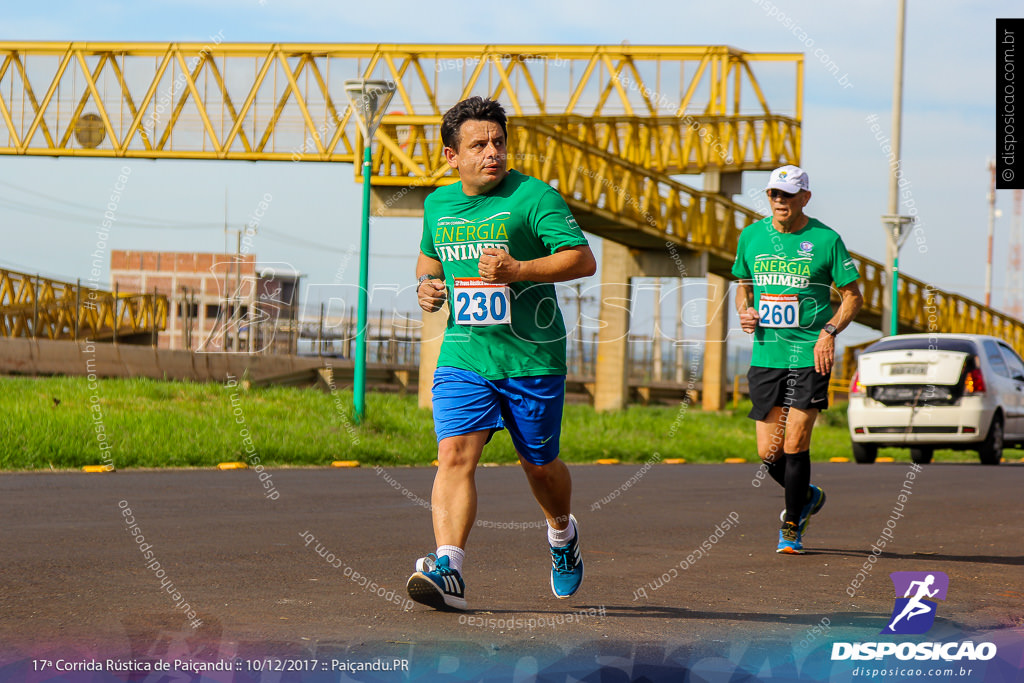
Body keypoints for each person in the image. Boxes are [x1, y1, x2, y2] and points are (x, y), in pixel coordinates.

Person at [406, 96, 596, 610]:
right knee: (454, 455)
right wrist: (426, 287)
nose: (492, 152)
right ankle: (449, 567)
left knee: (539, 465)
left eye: (498, 142)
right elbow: (429, 260)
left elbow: (583, 260)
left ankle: (562, 533)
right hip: (464, 353)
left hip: (531, 358)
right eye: (478, 144)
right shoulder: (438, 205)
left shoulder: (535, 198)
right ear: (451, 155)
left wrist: (519, 271)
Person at [732, 165, 863, 554]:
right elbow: (744, 286)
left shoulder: (825, 240)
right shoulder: (751, 236)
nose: (780, 202)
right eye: (774, 194)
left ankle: (791, 526)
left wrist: (830, 331)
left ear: (804, 198)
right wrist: (745, 310)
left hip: (810, 354)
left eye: (788, 195)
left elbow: (852, 296)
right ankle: (806, 496)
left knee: (795, 441)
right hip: (767, 353)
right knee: (768, 453)